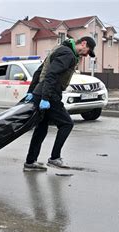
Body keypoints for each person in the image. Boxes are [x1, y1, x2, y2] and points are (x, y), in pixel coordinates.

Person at [23, 36, 96, 171]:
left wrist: (32, 91)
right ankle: (55, 158)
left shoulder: (59, 49)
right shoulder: (68, 54)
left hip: (41, 92)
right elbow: (51, 75)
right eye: (88, 51)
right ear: (83, 43)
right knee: (67, 123)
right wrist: (45, 97)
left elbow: (40, 71)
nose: (86, 55)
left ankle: (30, 162)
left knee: (41, 128)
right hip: (49, 94)